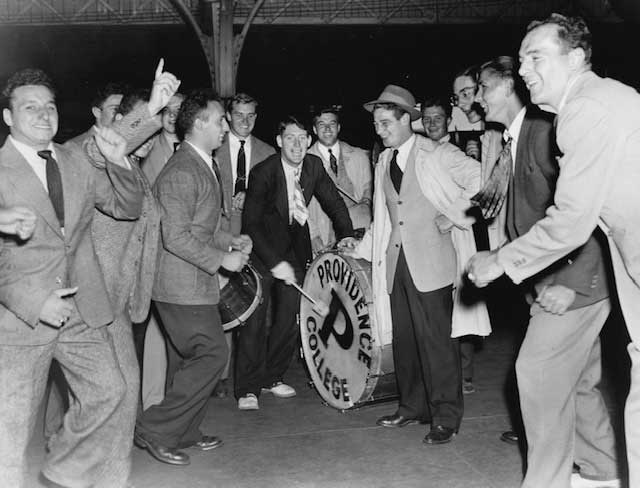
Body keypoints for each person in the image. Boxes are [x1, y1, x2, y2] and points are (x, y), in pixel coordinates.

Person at [467, 14, 640, 487]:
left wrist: (500, 260)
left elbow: (570, 220)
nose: (524, 69)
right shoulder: (600, 102)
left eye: (536, 57)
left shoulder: (583, 110)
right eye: (521, 60)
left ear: (578, 57)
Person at [0, 67, 145, 488]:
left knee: (110, 391)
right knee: (10, 435)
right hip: (19, 320)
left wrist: (119, 162)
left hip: (78, 310)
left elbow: (127, 207)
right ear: (8, 117)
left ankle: (62, 471)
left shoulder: (74, 160)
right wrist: (33, 300)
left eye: (50, 107)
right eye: (30, 108)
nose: (44, 115)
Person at [353, 84, 479, 445]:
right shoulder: (382, 160)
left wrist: (454, 217)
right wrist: (360, 248)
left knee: (437, 343)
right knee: (405, 341)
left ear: (407, 118)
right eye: (376, 124)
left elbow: (483, 180)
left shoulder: (437, 152)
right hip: (397, 264)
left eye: (385, 123)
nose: (379, 130)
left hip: (432, 263)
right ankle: (411, 407)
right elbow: (384, 217)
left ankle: (445, 417)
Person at [134, 89, 250, 466]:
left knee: (191, 358)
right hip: (179, 285)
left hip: (189, 282)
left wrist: (229, 239)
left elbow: (199, 227)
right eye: (220, 120)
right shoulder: (183, 171)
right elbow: (176, 236)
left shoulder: (200, 163)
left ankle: (183, 431)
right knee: (213, 354)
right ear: (199, 124)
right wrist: (223, 260)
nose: (226, 127)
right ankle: (154, 428)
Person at [241, 115, 356, 409]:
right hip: (263, 254)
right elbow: (251, 224)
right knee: (256, 321)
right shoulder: (263, 173)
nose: (297, 144)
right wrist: (273, 262)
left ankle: (272, 378)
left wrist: (346, 235)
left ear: (308, 141)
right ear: (279, 141)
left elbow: (334, 203)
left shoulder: (314, 166)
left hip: (295, 252)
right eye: (290, 138)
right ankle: (248, 388)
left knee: (290, 319)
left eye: (302, 138)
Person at [420, 95, 490, 395]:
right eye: (427, 118)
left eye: (438, 117)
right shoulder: (421, 151)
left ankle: (464, 374)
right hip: (429, 238)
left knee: (460, 304)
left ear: (448, 120)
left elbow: (482, 182)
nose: (432, 123)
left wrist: (451, 215)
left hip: (460, 232)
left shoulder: (459, 147)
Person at [213, 92, 276, 409]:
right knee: (216, 308)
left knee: (253, 311)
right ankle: (216, 376)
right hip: (216, 237)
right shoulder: (213, 144)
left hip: (252, 242)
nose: (245, 121)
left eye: (251, 115)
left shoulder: (267, 152)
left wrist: (252, 199)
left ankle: (248, 387)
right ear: (228, 115)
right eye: (239, 114)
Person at [137, 92, 185, 411]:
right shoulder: (147, 146)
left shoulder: (195, 149)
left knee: (182, 327)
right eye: (166, 111)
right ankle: (153, 399)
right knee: (156, 324)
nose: (171, 116)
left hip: (184, 250)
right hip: (155, 247)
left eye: (178, 111)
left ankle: (177, 399)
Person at [307, 106, 372, 254]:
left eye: (332, 123)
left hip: (357, 239)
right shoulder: (304, 161)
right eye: (322, 124)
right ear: (315, 129)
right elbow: (298, 206)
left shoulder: (360, 157)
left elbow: (368, 195)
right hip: (322, 239)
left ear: (339, 127)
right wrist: (312, 236)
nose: (328, 129)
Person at [66, 81, 130, 148]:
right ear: (97, 112)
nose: (121, 116)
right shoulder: (76, 146)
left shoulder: (129, 142)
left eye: (124, 110)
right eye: (115, 110)